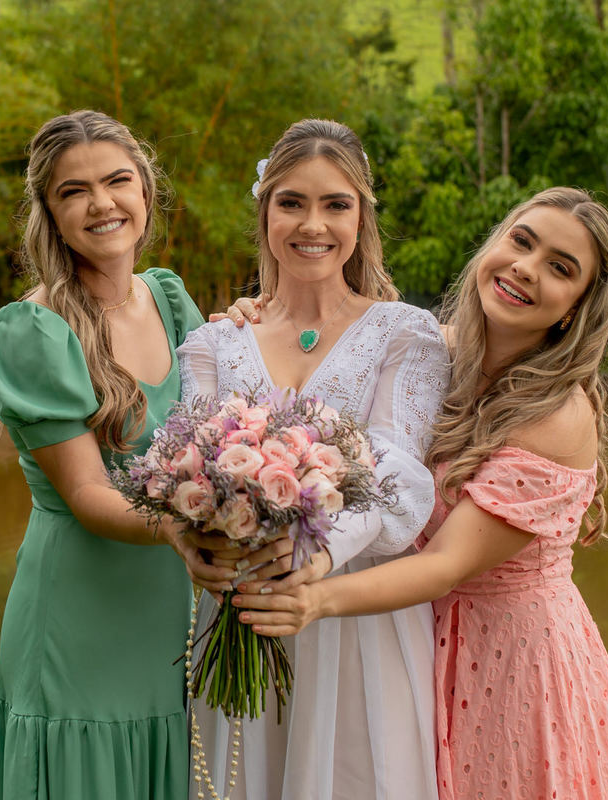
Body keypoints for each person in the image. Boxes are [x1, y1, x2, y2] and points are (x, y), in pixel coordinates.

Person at [234, 187, 608, 800]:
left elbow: (445, 563)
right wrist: (259, 324)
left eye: (561, 268)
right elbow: (328, 345)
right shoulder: (427, 350)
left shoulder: (557, 415)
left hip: (515, 661)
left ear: (574, 308)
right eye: (521, 241)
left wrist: (312, 600)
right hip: (413, 639)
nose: (525, 269)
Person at [175, 119, 450, 800]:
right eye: (291, 201)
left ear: (362, 214)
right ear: (264, 209)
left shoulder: (405, 334)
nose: (313, 224)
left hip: (355, 614)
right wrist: (193, 540)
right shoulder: (213, 343)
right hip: (243, 610)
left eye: (336, 204)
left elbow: (395, 472)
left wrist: (316, 565)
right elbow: (186, 468)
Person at [0, 110, 211, 800]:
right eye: (74, 191)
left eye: (117, 181)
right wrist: (182, 526)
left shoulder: (169, 300)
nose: (102, 203)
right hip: (78, 607)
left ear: (146, 189)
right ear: (49, 213)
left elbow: (225, 423)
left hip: (167, 606)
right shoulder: (35, 329)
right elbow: (86, 494)